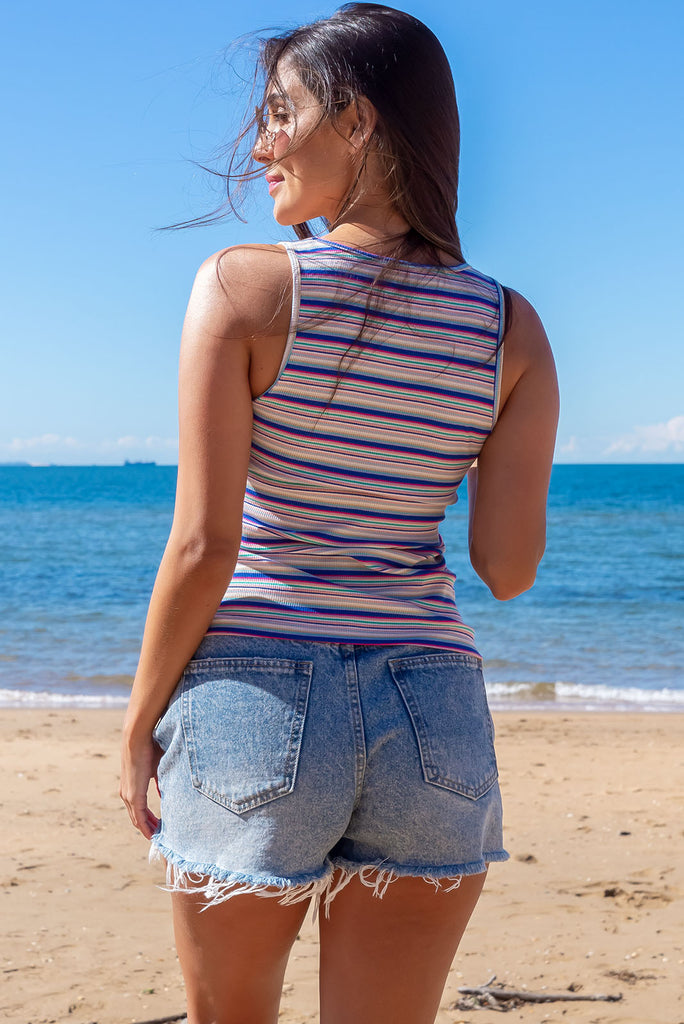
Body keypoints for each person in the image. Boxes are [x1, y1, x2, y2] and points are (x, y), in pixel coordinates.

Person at [119, 4, 559, 1022]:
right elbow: (508, 564)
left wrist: (138, 723)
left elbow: (203, 543)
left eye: (281, 114)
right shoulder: (512, 325)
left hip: (252, 698)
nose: (262, 146)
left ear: (356, 121)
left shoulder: (243, 287)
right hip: (433, 704)